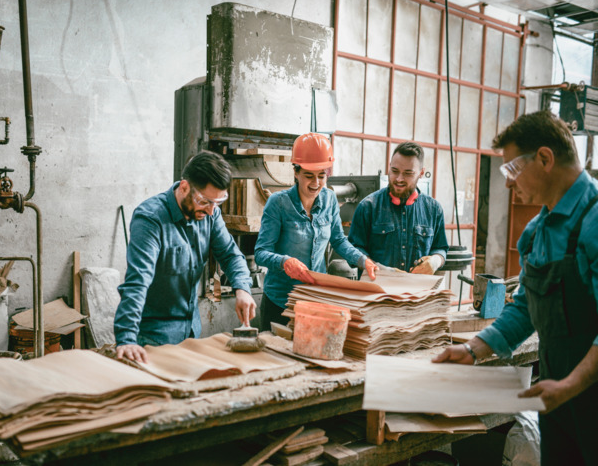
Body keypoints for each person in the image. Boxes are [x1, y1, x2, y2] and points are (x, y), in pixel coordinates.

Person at [433, 110, 598, 465]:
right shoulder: (536, 232)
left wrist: (570, 386)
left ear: (544, 158)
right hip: (555, 394)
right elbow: (526, 306)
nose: (507, 182)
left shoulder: (594, 220)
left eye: (512, 169)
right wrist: (474, 349)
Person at [114, 151, 257, 363]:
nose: (210, 211)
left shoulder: (211, 214)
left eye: (217, 203)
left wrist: (242, 288)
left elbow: (229, 254)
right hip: (153, 338)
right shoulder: (150, 219)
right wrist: (126, 337)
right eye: (204, 201)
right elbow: (138, 281)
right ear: (184, 187)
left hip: (191, 332)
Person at [254, 133, 374, 332]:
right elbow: (261, 253)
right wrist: (285, 262)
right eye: (309, 176)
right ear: (296, 172)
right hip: (280, 303)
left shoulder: (329, 199)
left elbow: (338, 240)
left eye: (322, 175)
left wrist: (363, 260)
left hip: (314, 300)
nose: (316, 183)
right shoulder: (278, 203)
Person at [348, 141, 448, 277]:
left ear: (421, 173)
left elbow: (440, 247)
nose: (399, 179)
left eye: (408, 173)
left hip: (418, 294)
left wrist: (436, 261)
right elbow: (353, 249)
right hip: (377, 293)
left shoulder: (434, 210)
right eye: (394, 171)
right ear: (389, 167)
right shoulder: (368, 207)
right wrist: (373, 266)